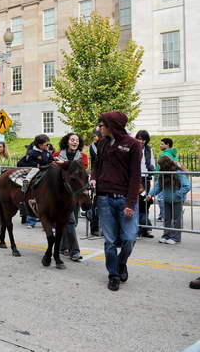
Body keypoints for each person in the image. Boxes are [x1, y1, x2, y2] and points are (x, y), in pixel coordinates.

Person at [91, 111, 142, 292]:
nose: (99, 128)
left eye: (102, 125)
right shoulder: (102, 143)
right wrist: (94, 178)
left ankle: (121, 263)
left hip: (125, 200)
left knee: (129, 239)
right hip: (104, 198)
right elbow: (96, 165)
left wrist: (130, 203)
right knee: (110, 241)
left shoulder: (134, 145)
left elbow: (136, 176)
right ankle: (113, 275)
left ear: (112, 126)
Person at [54, 133, 88, 262]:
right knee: (70, 221)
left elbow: (81, 169)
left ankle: (63, 247)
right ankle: (75, 251)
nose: (75, 142)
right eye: (72, 140)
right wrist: (66, 164)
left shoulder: (83, 157)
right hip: (61, 194)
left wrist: (64, 164)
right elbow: (55, 169)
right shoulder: (56, 155)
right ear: (67, 142)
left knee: (70, 222)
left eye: (77, 140)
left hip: (76, 194)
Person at [147, 155, 190, 245]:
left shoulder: (178, 172)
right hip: (166, 199)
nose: (160, 167)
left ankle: (175, 238)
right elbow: (158, 186)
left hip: (177, 200)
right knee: (167, 219)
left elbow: (187, 186)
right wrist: (150, 194)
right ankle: (166, 236)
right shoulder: (163, 174)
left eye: (161, 165)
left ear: (166, 165)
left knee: (176, 219)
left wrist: (177, 195)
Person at [135, 130, 155, 238]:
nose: (141, 141)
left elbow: (152, 163)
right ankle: (136, 228)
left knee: (145, 204)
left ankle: (145, 229)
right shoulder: (133, 147)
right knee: (136, 204)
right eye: (139, 138)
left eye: (143, 139)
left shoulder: (148, 149)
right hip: (135, 179)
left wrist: (152, 170)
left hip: (145, 178)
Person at [156, 138, 179, 222]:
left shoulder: (164, 155)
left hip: (163, 178)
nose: (160, 145)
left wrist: (156, 175)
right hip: (173, 179)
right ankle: (170, 214)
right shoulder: (174, 154)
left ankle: (164, 215)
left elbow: (159, 168)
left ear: (167, 145)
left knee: (161, 198)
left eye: (162, 144)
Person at [88, 128, 102, 236]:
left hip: (105, 177)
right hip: (97, 177)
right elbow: (99, 158)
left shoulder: (106, 144)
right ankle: (94, 227)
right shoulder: (93, 146)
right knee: (96, 203)